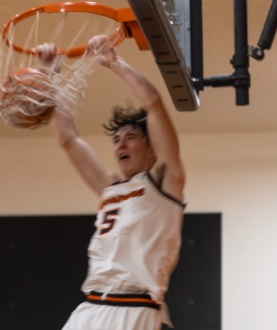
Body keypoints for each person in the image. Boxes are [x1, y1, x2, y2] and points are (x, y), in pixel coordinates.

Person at [36, 35, 186, 330]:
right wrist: (51, 76)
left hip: (136, 308)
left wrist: (115, 63)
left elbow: (154, 103)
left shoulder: (166, 183)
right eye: (117, 140)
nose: (121, 145)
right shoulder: (110, 187)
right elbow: (68, 139)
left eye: (131, 137)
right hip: (91, 308)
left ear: (153, 148)